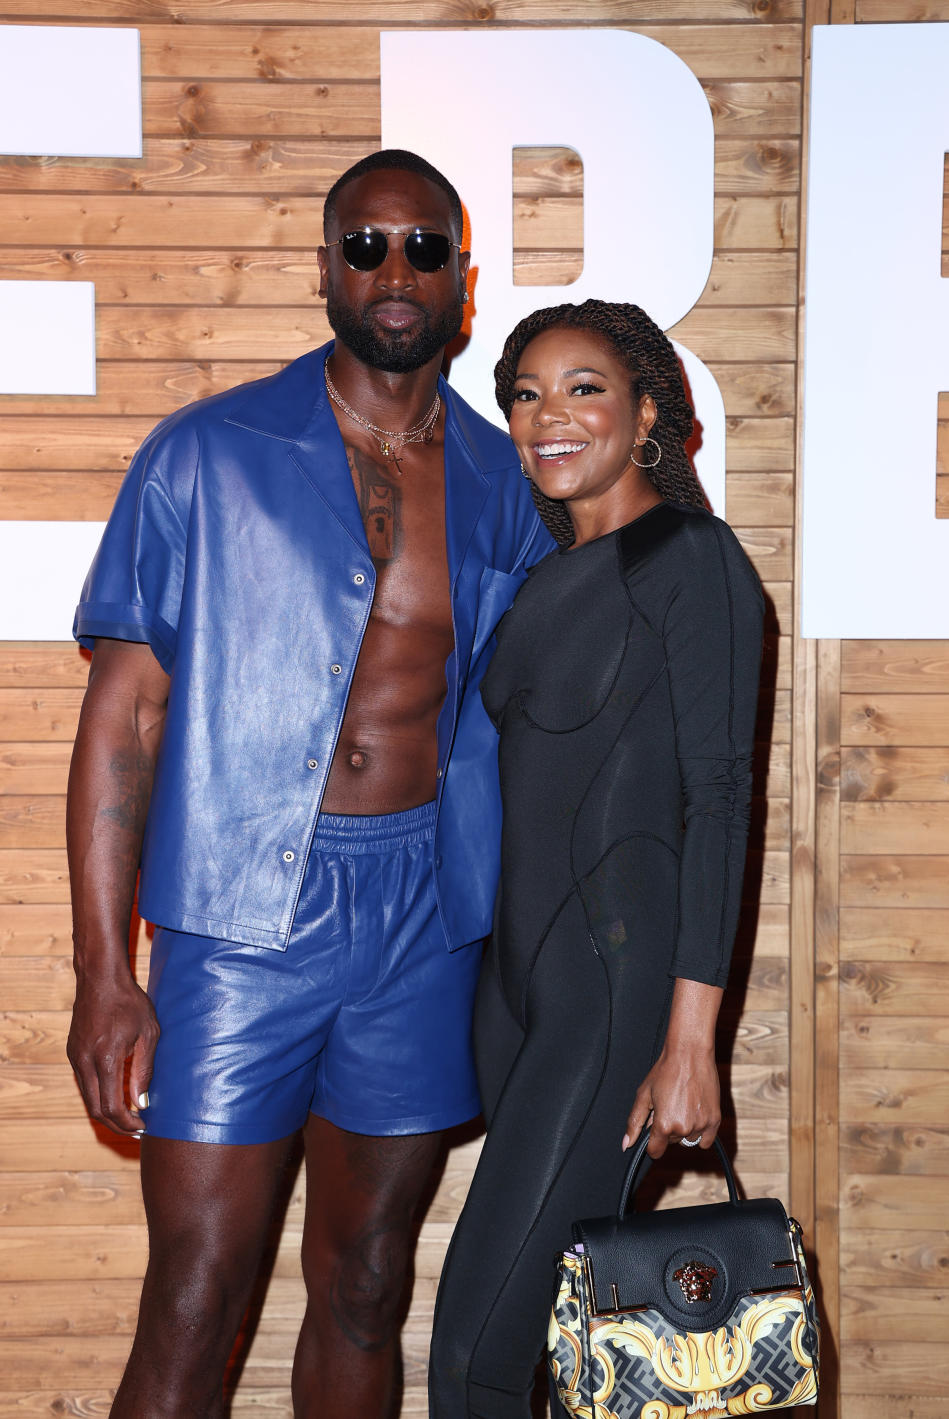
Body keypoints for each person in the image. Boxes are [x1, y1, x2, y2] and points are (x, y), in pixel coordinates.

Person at [65, 148, 555, 1419]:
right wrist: (107, 973)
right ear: (326, 267)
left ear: (462, 277)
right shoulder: (206, 453)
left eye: (424, 249)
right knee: (197, 1291)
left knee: (366, 1282)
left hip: (420, 924)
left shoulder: (508, 483)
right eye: (366, 246)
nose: (395, 272)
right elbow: (125, 719)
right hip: (237, 918)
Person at [428, 299, 766, 1418]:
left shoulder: (692, 561)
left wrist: (690, 1041)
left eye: (583, 388)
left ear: (648, 412)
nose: (546, 416)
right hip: (519, 1002)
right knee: (541, 1356)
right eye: (525, 394)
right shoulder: (534, 582)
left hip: (613, 1009)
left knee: (473, 1358)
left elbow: (718, 802)